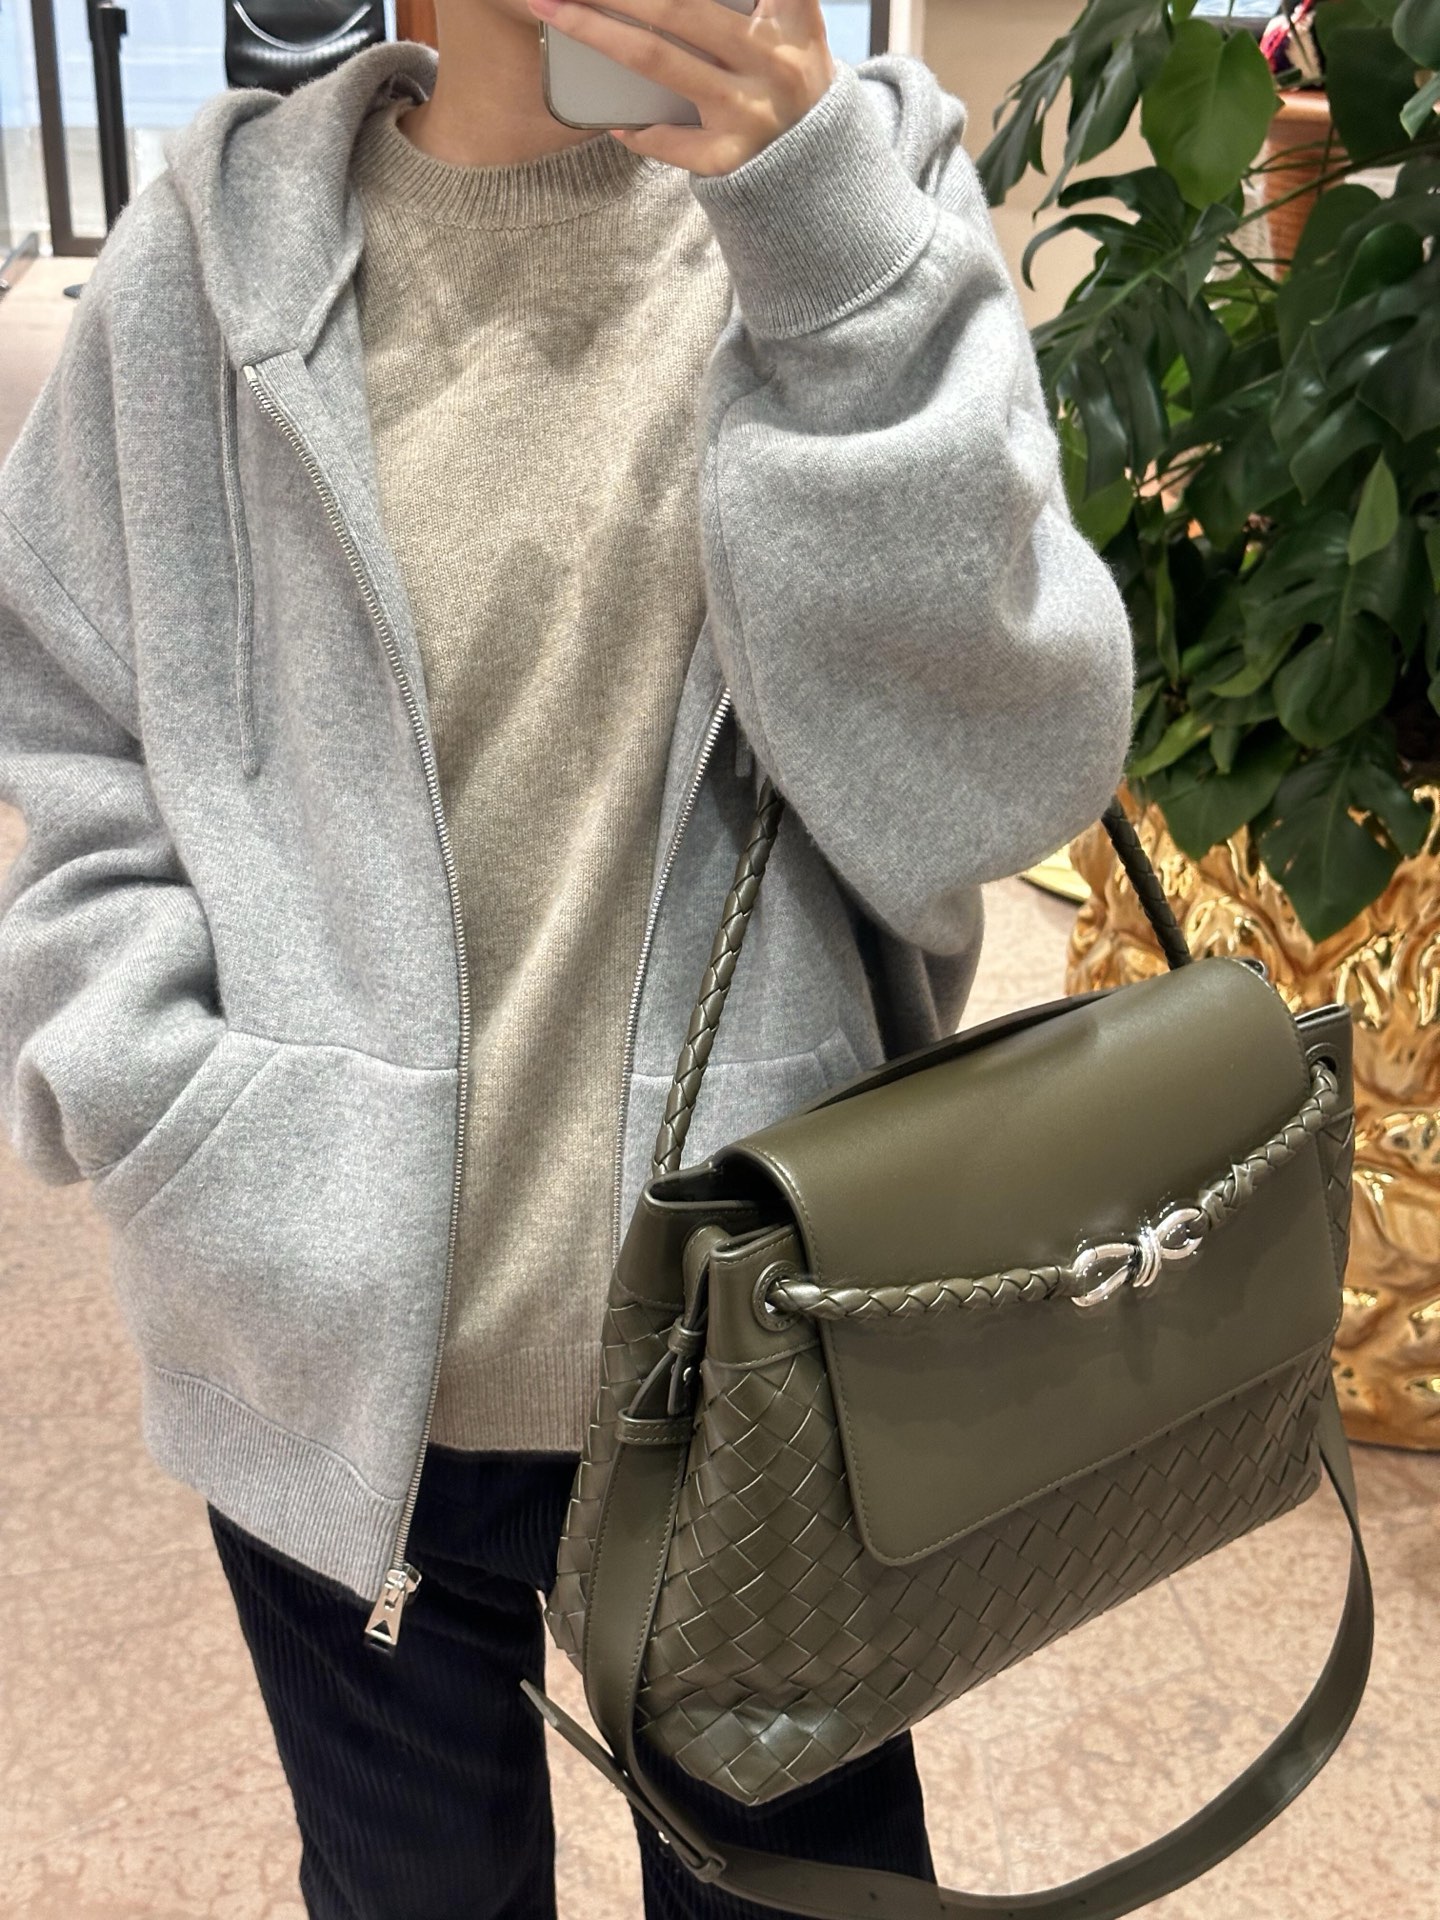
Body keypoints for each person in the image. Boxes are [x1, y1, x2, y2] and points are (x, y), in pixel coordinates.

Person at [0, 2, 1134, 1914]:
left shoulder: (865, 194)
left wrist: (821, 242)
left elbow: (991, 788)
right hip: (325, 1364)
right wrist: (174, 1115)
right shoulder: (206, 261)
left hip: (769, 1360)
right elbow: (77, 736)